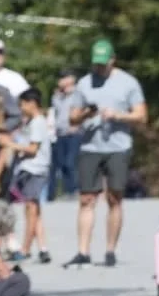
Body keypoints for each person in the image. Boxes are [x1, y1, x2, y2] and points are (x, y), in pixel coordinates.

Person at [67, 39, 147, 268]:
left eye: (103, 64)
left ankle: (110, 250)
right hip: (90, 146)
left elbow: (141, 115)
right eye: (96, 64)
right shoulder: (84, 84)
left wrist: (118, 115)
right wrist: (86, 114)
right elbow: (72, 118)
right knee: (87, 198)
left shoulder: (128, 83)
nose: (99, 68)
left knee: (114, 197)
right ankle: (83, 251)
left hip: (118, 146)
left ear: (113, 60)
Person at [10, 88, 52, 263]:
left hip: (35, 169)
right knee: (35, 209)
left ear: (31, 104)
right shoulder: (30, 123)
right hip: (29, 168)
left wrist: (12, 145)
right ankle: (43, 247)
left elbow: (33, 149)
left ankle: (26, 248)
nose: (20, 108)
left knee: (30, 209)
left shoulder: (37, 122)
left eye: (22, 104)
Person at [48, 70, 82, 200]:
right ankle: (66, 191)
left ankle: (73, 190)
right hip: (60, 133)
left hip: (74, 133)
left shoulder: (78, 94)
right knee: (61, 164)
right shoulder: (57, 96)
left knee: (70, 163)